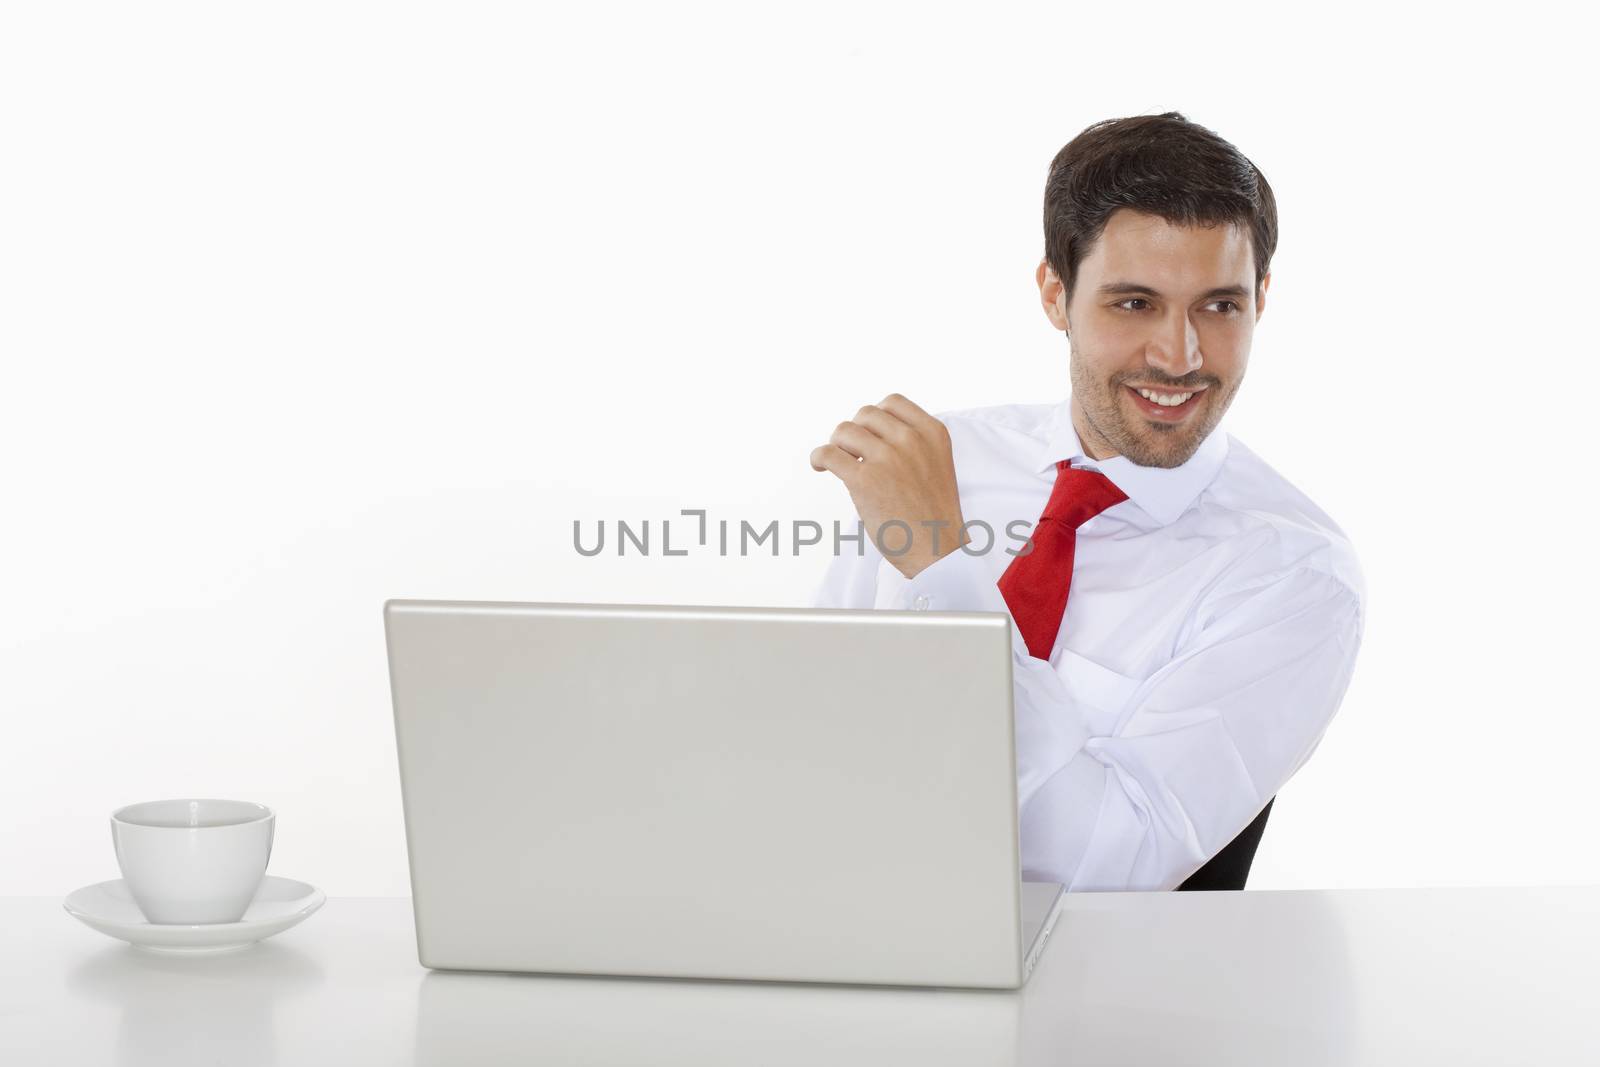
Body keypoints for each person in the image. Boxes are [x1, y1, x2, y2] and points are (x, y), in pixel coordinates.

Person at [808, 112, 1364, 893]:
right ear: (1055, 293)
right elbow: (810, 743)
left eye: (1220, 305)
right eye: (1134, 304)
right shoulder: (940, 463)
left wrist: (946, 571)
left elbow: (1112, 858)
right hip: (848, 944)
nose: (1180, 356)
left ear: (1261, 299)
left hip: (1109, 1001)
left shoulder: (1291, 573)